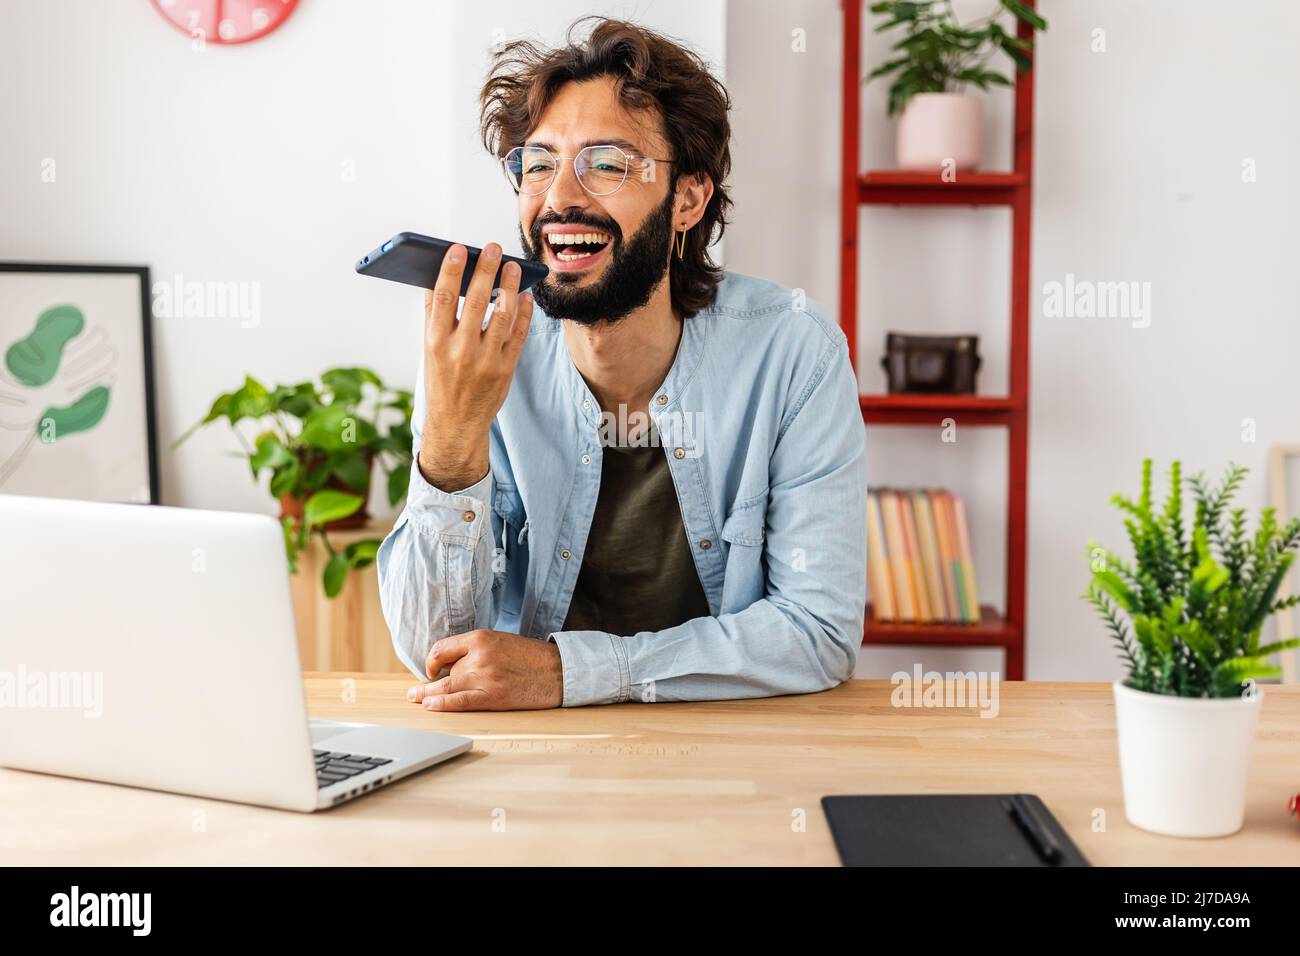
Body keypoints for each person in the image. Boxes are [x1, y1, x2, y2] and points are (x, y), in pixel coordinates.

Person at [377, 16, 867, 711]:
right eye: (538, 163)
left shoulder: (792, 352)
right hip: (530, 761)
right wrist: (453, 442)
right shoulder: (472, 357)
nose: (560, 198)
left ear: (688, 199)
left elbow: (819, 631)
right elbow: (437, 651)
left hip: (736, 751)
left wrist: (571, 672)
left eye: (606, 163)